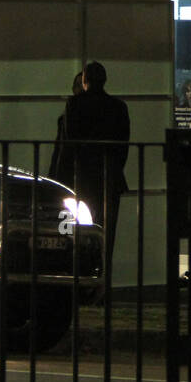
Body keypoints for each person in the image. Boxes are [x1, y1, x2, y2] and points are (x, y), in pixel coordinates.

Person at [61, 61, 130, 267]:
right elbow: (123, 145)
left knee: (77, 231)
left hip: (81, 178)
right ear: (105, 80)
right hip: (110, 177)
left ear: (84, 81)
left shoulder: (73, 104)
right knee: (106, 234)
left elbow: (69, 141)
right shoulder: (119, 107)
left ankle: (80, 274)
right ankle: (103, 278)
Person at [48, 71, 84, 181]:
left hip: (70, 173)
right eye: (78, 86)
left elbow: (60, 149)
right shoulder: (65, 117)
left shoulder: (66, 116)